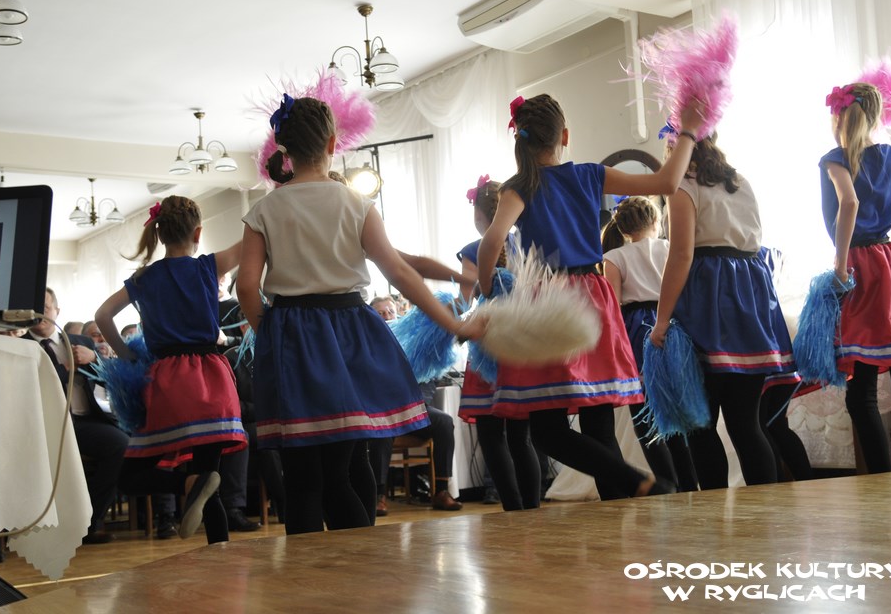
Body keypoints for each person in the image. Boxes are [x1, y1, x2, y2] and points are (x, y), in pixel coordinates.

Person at [237, 95, 483, 535]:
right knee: (346, 466)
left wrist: (269, 332)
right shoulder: (356, 204)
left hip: (292, 338)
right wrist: (453, 323)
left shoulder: (264, 210)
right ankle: (362, 561)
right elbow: (400, 272)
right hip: (349, 334)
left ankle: (310, 570)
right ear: (333, 143)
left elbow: (246, 286)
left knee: (302, 478)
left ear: (284, 150)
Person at [477, 94, 700, 499]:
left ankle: (634, 481)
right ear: (564, 136)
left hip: (548, 303)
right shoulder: (589, 175)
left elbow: (491, 243)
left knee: (546, 431)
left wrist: (491, 289)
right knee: (599, 424)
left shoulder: (518, 187)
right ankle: (626, 497)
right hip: (593, 298)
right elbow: (667, 183)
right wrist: (687, 131)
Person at [95, 196, 249, 544]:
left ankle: (185, 485)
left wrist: (126, 355)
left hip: (169, 382)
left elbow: (102, 315)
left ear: (159, 233)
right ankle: (220, 548)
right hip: (212, 380)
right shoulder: (209, 266)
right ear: (198, 233)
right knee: (207, 476)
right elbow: (253, 239)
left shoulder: (144, 278)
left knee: (132, 477)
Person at [649, 125, 795, 488]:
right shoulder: (739, 181)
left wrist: (661, 321)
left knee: (701, 425)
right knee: (747, 424)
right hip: (751, 295)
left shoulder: (685, 184)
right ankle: (766, 509)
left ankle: (713, 508)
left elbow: (681, 254)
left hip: (708, 298)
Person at [819, 81, 891, 472]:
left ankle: (881, 482)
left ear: (838, 117)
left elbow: (850, 202)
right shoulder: (890, 154)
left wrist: (841, 266)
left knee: (862, 394)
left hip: (862, 266)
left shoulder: (835, 159)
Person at [601, 195, 698, 492]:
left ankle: (666, 483)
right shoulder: (669, 247)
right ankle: (689, 483)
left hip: (635, 330)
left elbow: (613, 306)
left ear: (623, 229)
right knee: (676, 408)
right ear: (656, 220)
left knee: (643, 413)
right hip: (671, 321)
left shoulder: (613, 257)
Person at [458, 177, 540, 511]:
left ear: (479, 214)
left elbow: (464, 303)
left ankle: (513, 508)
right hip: (521, 342)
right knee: (522, 437)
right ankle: (531, 508)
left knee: (491, 435)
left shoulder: (474, 250)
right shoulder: (527, 245)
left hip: (487, 346)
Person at [28, 287, 128, 544]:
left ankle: (90, 521)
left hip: (87, 419)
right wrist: (65, 367)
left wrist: (94, 358)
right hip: (46, 424)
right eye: (35, 309)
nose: (40, 314)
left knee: (121, 444)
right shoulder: (22, 345)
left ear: (56, 311)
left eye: (45, 308)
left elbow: (109, 378)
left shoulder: (81, 342)